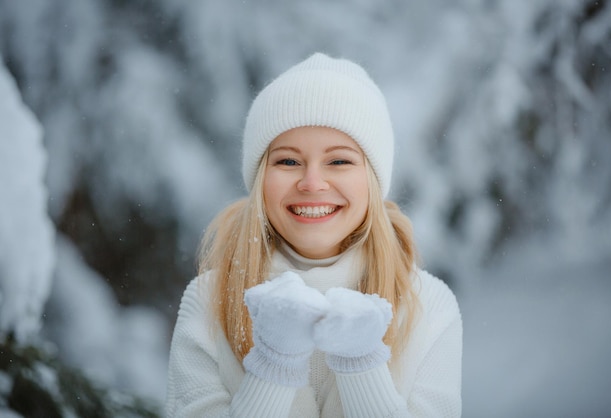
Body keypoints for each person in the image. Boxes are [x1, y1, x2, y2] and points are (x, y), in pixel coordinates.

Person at [166, 52, 462, 418]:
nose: (311, 183)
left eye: (339, 161)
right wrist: (274, 363)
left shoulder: (428, 307)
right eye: (288, 161)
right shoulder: (209, 301)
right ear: (260, 180)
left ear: (372, 180)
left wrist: (362, 362)